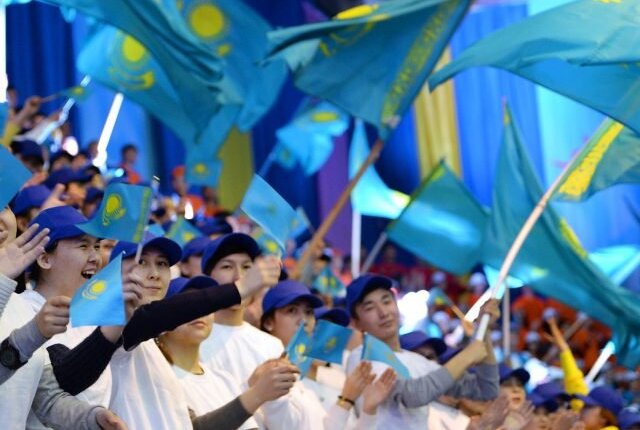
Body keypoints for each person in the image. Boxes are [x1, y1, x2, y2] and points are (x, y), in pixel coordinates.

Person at [48, 231, 282, 429]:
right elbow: (155, 316)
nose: (154, 273)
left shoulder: (152, 350)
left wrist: (256, 397)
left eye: (162, 264)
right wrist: (239, 288)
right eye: (141, 262)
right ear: (113, 272)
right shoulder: (108, 325)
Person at [345, 274, 500, 429]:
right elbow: (413, 394)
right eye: (370, 308)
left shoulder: (419, 361)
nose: (383, 313)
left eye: (386, 301)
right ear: (356, 323)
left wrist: (484, 329)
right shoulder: (362, 356)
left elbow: (485, 390)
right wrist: (465, 357)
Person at [157, 276, 300, 430]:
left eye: (204, 304)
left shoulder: (224, 379)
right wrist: (258, 393)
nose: (198, 311)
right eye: (186, 303)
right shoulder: (158, 379)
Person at [261, 279, 397, 429]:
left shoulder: (325, 383)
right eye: (291, 311)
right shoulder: (267, 375)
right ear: (268, 322)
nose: (304, 320)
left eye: (308, 312)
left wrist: (368, 410)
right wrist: (346, 400)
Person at [199, 233, 285, 383]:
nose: (239, 276)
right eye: (227, 266)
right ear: (207, 277)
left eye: (247, 267)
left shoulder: (272, 347)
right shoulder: (193, 338)